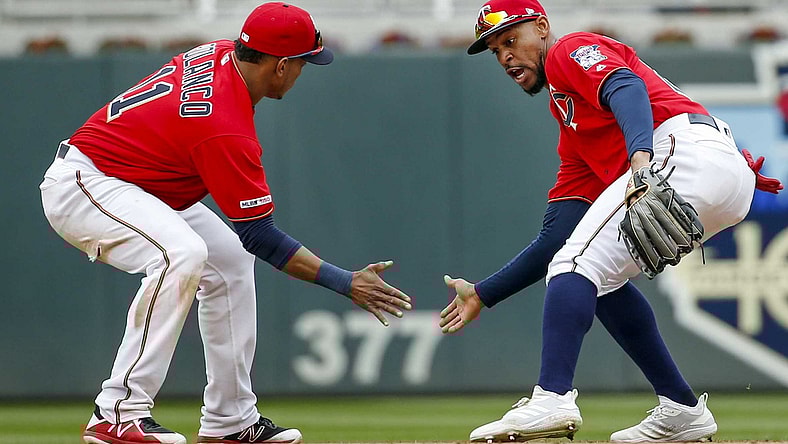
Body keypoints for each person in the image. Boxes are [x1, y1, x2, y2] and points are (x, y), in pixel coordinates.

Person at [40, 3, 413, 444]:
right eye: (302, 64)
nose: (301, 73)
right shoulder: (224, 125)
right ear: (279, 66)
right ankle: (118, 411)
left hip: (137, 184)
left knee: (229, 260)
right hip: (88, 184)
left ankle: (230, 419)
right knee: (180, 254)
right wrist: (344, 281)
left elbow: (244, 240)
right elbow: (261, 236)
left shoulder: (218, 53)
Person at [438, 0, 783, 442]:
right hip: (720, 177)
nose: (505, 56)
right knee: (592, 275)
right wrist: (484, 294)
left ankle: (552, 397)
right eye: (495, 49)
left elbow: (625, 85)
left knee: (573, 268)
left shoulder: (568, 52)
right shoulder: (571, 122)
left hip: (682, 149)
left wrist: (641, 157)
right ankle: (682, 410)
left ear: (541, 27)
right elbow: (557, 236)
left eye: (511, 39)